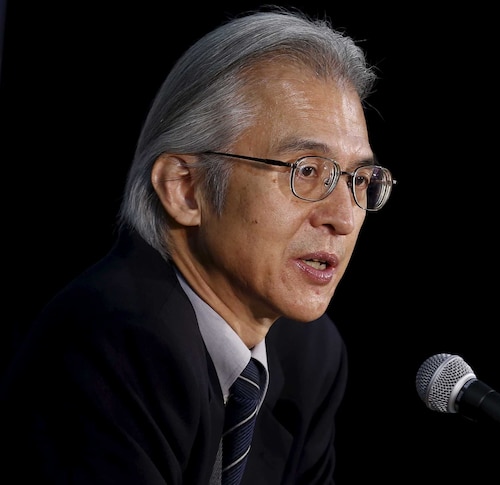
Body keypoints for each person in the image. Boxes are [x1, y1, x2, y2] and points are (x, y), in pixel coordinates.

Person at [0, 5, 394, 484]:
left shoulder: (310, 354)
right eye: (306, 171)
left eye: (359, 179)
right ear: (185, 189)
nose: (344, 217)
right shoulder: (111, 347)